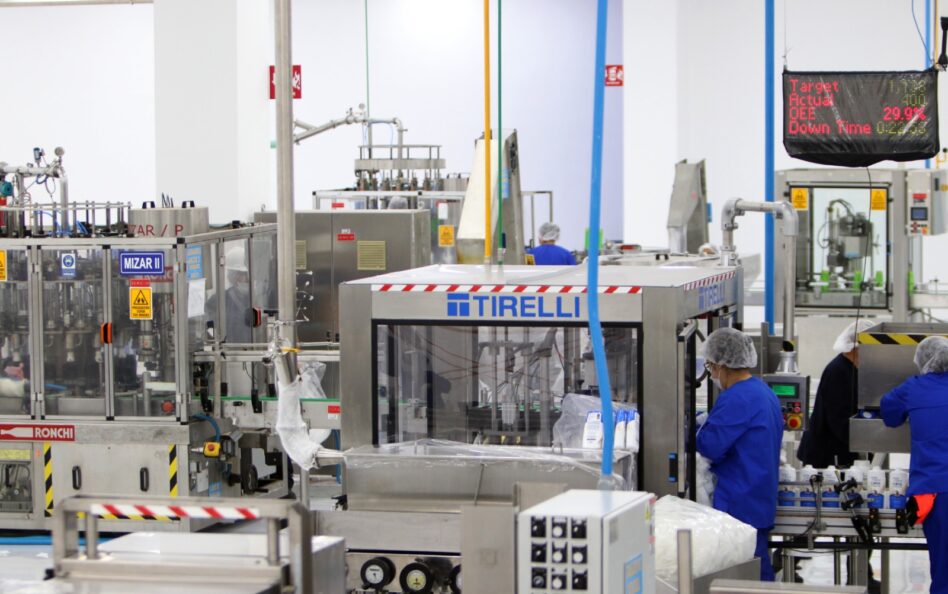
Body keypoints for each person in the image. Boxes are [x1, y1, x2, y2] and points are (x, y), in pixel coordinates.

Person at [696, 327, 784, 581]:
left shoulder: (737, 398)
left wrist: (697, 429)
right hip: (757, 496)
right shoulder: (763, 392)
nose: (712, 374)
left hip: (739, 501)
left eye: (710, 367)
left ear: (722, 365)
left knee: (743, 576)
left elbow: (710, 446)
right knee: (757, 570)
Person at [881, 336, 948, 594]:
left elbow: (889, 414)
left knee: (944, 570)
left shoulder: (914, 388)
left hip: (936, 493)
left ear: (923, 361)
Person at [798, 319, 876, 468]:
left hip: (838, 452)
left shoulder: (852, 369)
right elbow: (839, 419)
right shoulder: (838, 372)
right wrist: (866, 441)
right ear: (856, 347)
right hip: (825, 457)